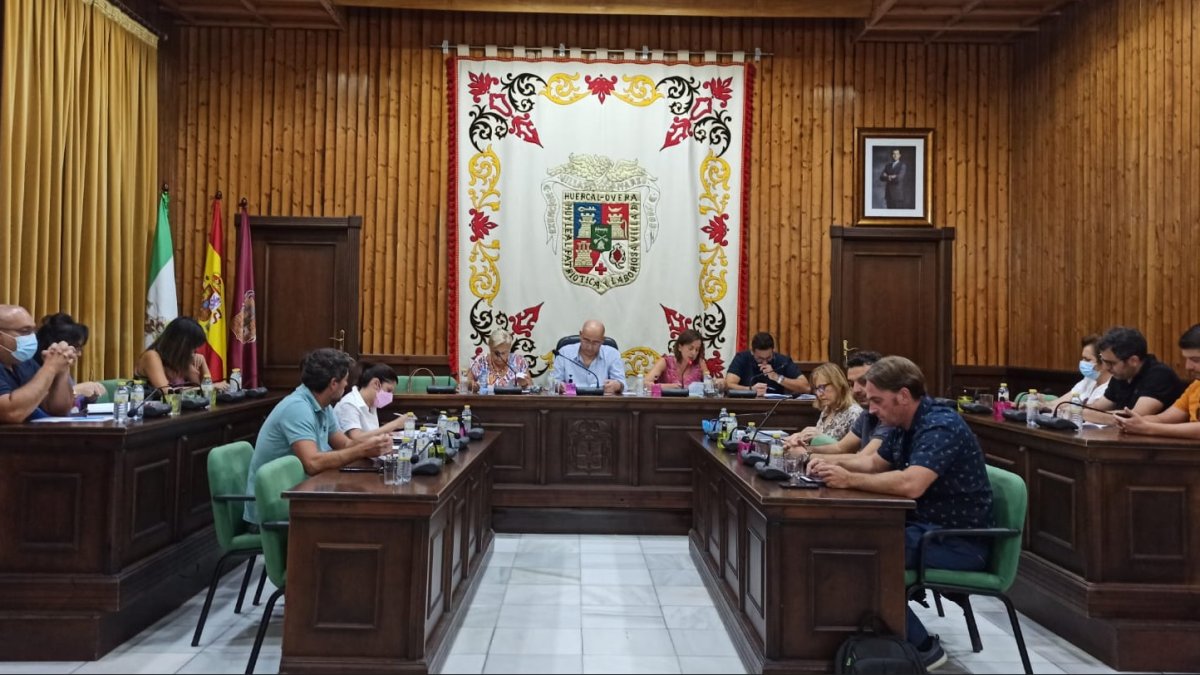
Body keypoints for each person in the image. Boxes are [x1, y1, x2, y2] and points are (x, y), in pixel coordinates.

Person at [808, 357, 992, 671]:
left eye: (878, 400)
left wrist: (848, 479)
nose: (871, 409)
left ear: (903, 396)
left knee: (859, 554)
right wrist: (820, 461)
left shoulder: (940, 424)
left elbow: (911, 484)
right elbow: (871, 463)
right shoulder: (900, 424)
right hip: (923, 529)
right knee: (841, 541)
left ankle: (923, 648)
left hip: (957, 542)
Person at [244, 348, 392, 524]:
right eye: (345, 380)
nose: (347, 385)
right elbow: (313, 463)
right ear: (333, 383)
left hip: (303, 496)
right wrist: (361, 450)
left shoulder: (324, 406)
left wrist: (373, 446)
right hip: (275, 510)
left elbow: (344, 444)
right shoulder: (297, 407)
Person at [787, 350, 893, 456]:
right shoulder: (865, 414)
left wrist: (805, 455)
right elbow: (840, 448)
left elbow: (865, 460)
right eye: (851, 384)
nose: (856, 390)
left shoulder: (890, 418)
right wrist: (803, 448)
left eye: (864, 381)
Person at [1082, 326, 1185, 423]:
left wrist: (1081, 414)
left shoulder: (1160, 375)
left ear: (1133, 360)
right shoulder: (1120, 375)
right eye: (1104, 361)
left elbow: (1134, 417)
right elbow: (1098, 406)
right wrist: (1075, 411)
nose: (1106, 368)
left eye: (1111, 363)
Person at [1115, 324, 1200, 439]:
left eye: (1195, 360)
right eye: (1186, 359)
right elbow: (1164, 419)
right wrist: (1132, 422)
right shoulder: (1196, 386)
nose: (1188, 366)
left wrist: (1148, 428)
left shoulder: (1159, 373)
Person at [0, 304, 76, 423]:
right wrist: (50, 367)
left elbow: (58, 409)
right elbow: (11, 413)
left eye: (33, 331)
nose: (32, 337)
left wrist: (61, 368)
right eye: (25, 331)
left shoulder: (24, 362)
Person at [137, 316, 228, 393]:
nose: (195, 350)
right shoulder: (152, 356)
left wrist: (203, 362)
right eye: (193, 346)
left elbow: (202, 388)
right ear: (181, 344)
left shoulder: (178, 360)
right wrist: (211, 387)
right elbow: (167, 392)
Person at [34, 312, 106, 401]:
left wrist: (88, 398)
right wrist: (75, 390)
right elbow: (38, 404)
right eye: (76, 347)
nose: (79, 354)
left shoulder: (62, 368)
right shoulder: (31, 368)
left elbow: (72, 406)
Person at [333, 362, 413, 440]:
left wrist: (383, 434)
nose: (390, 397)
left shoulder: (371, 405)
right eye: (388, 390)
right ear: (376, 383)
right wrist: (395, 424)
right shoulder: (349, 404)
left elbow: (368, 434)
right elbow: (356, 438)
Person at [790, 362, 862, 445]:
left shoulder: (854, 413)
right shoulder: (827, 409)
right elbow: (819, 442)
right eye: (816, 389)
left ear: (838, 384)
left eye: (822, 387)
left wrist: (819, 437)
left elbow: (853, 452)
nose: (819, 394)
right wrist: (800, 437)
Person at [551, 319, 626, 395]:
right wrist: (558, 386)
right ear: (580, 335)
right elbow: (554, 382)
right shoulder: (564, 353)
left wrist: (617, 386)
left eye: (595, 342)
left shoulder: (612, 354)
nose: (589, 347)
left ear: (602, 340)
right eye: (586, 340)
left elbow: (623, 384)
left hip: (603, 403)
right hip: (571, 401)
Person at [724, 331, 810, 397]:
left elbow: (806, 387)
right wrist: (750, 390)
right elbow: (728, 385)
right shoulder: (742, 358)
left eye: (768, 358)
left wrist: (777, 377)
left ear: (773, 351)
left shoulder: (783, 361)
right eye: (760, 359)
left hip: (776, 408)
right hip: (747, 405)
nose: (764, 362)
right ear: (752, 352)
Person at [1044, 334, 1111, 412]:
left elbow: (1091, 413)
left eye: (1087, 359)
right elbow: (1059, 403)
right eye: (1083, 358)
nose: (1082, 362)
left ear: (1104, 362)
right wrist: (1039, 405)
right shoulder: (1089, 380)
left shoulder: (1111, 388)